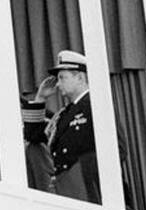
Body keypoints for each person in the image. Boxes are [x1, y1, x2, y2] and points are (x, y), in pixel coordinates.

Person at [31, 50, 99, 202]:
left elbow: (117, 149)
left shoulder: (96, 105)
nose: (58, 83)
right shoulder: (64, 114)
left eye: (62, 78)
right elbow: (33, 137)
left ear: (80, 78)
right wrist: (40, 98)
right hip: (67, 188)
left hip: (89, 189)